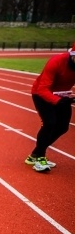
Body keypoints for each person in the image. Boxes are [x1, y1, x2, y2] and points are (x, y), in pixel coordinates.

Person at [25, 43, 75, 172]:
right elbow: (42, 89)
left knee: (63, 127)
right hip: (41, 94)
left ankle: (35, 154)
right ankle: (40, 157)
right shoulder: (56, 62)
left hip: (62, 95)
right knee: (50, 123)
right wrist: (57, 101)